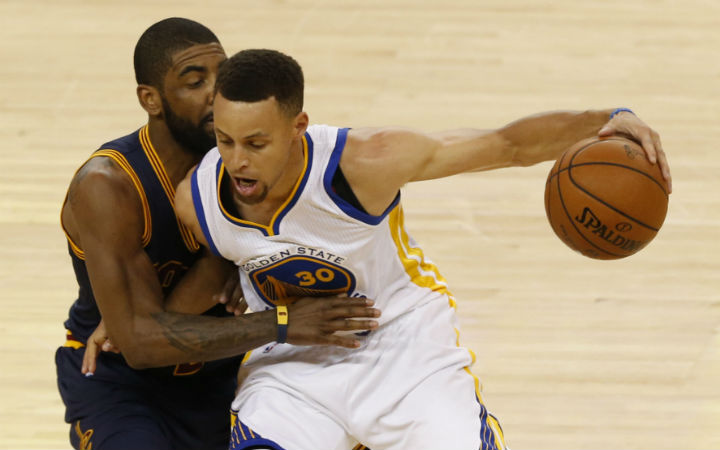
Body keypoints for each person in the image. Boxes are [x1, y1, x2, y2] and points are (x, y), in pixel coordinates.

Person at [176, 49, 672, 450]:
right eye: (225, 140)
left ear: (298, 127)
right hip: (293, 368)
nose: (237, 161)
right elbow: (218, 268)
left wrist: (609, 119)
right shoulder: (196, 201)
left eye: (256, 144)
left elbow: (506, 144)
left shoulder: (364, 163)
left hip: (403, 349)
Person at [56, 21, 380, 450]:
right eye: (195, 82)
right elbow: (140, 345)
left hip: (227, 366)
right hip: (127, 386)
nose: (215, 92)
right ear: (150, 99)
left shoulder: (246, 159)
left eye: (221, 76)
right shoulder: (109, 186)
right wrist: (282, 321)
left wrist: (235, 266)